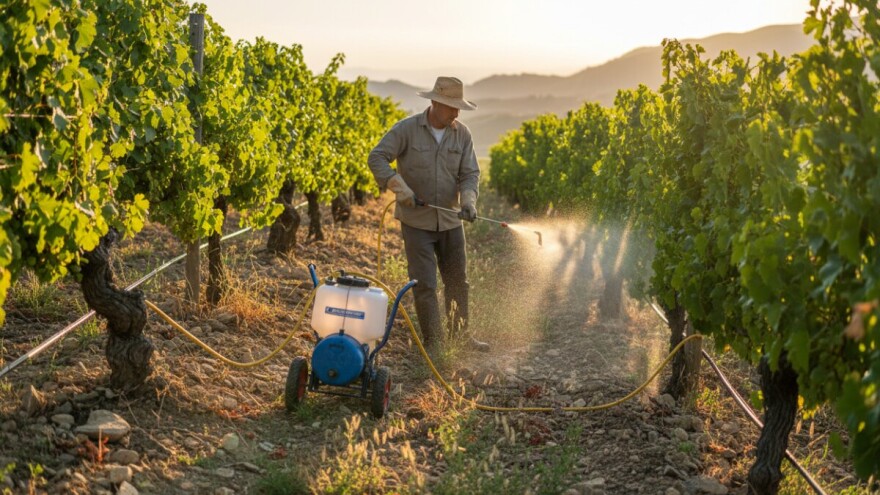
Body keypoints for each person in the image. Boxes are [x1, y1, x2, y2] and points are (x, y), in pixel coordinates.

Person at [368, 76, 489, 353]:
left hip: (450, 222)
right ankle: (434, 345)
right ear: (435, 103)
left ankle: (460, 338)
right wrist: (399, 187)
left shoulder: (463, 134)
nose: (456, 113)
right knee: (425, 285)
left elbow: (470, 174)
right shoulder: (406, 130)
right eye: (451, 107)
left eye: (459, 108)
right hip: (416, 223)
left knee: (458, 282)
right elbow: (376, 158)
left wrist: (469, 201)